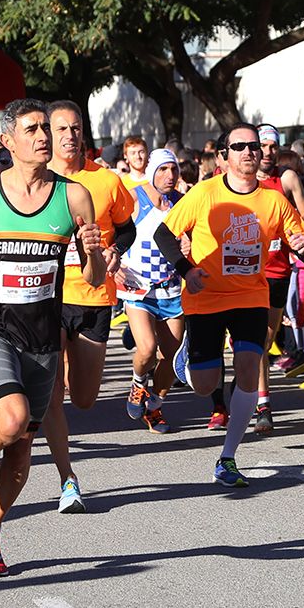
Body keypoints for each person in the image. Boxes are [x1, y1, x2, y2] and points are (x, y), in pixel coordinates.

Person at [0, 98, 104, 578]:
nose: (44, 137)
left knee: (24, 447)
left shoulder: (73, 198)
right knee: (9, 421)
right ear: (8, 141)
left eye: (46, 129)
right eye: (32, 129)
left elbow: (92, 278)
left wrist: (93, 253)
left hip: (42, 334)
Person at [154, 123, 304, 488]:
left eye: (253, 146)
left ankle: (227, 457)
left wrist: (301, 245)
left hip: (250, 297)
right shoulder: (205, 193)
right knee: (206, 383)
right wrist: (186, 270)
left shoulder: (273, 200)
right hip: (205, 296)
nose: (248, 152)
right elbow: (164, 235)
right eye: (239, 146)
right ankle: (189, 357)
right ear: (224, 156)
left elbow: (297, 234)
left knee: (246, 369)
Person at [44, 100, 136, 513]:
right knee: (52, 396)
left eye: (76, 127)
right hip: (45, 298)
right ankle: (68, 478)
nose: (69, 135)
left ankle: (64, 376)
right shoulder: (37, 181)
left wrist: (114, 249)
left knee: (83, 398)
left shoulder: (105, 181)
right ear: (47, 133)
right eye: (61, 128)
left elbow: (127, 227)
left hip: (94, 298)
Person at [117, 148, 185, 433]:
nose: (169, 176)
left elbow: (194, 235)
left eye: (174, 170)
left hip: (170, 288)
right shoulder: (135, 197)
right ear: (151, 171)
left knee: (172, 355)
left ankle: (155, 406)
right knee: (146, 348)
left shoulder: (182, 202)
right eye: (163, 170)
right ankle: (137, 384)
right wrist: (115, 261)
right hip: (137, 287)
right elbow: (112, 231)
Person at [255, 123, 304, 433]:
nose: (267, 153)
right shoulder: (240, 180)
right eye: (262, 146)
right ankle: (262, 403)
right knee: (253, 341)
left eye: (272, 147)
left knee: (264, 339)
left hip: (278, 270)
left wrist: (289, 224)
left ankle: (257, 388)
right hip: (244, 272)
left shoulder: (286, 179)